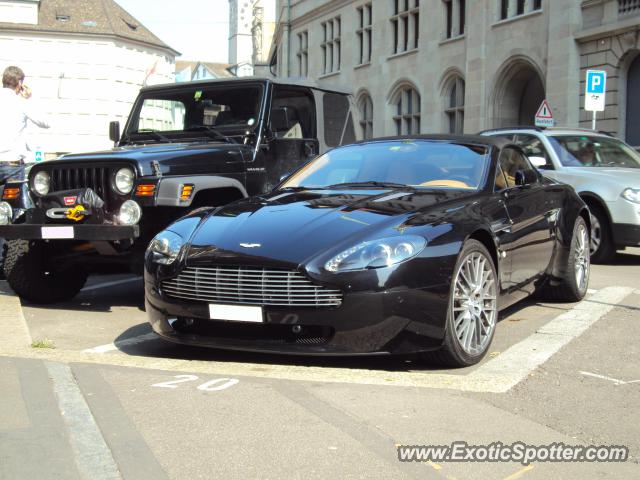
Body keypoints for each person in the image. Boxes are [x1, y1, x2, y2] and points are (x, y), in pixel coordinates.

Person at [0, 65, 50, 168]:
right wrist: (30, 99)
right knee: (15, 184)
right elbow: (45, 122)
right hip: (12, 163)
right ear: (19, 83)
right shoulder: (21, 102)